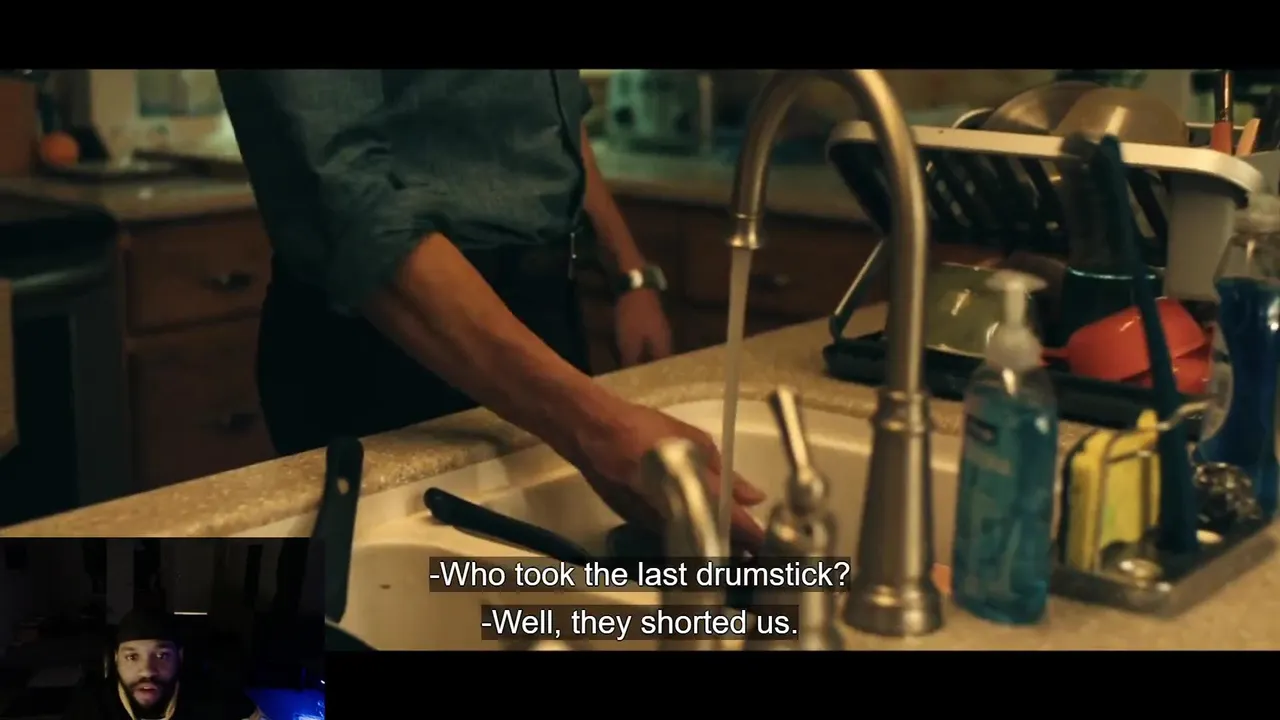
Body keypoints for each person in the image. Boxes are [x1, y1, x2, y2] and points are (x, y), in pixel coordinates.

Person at [216, 70, 765, 549]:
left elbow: (549, 124)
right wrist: (598, 427)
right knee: (410, 604)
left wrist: (629, 272)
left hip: (541, 320)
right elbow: (345, 201)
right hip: (389, 346)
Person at [63, 608, 264, 720]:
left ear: (180, 657)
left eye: (161, 656)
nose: (147, 670)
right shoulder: (90, 706)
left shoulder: (216, 698)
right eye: (132, 657)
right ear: (116, 659)